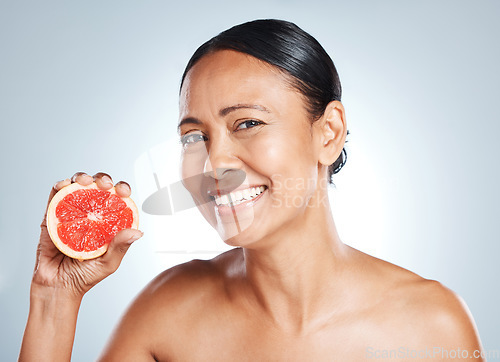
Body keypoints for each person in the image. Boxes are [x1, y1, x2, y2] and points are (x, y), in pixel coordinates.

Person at [20, 19, 484, 361]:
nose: (215, 162)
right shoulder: (168, 313)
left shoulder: (431, 327)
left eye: (247, 123)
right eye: (193, 136)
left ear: (329, 133)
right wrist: (54, 298)